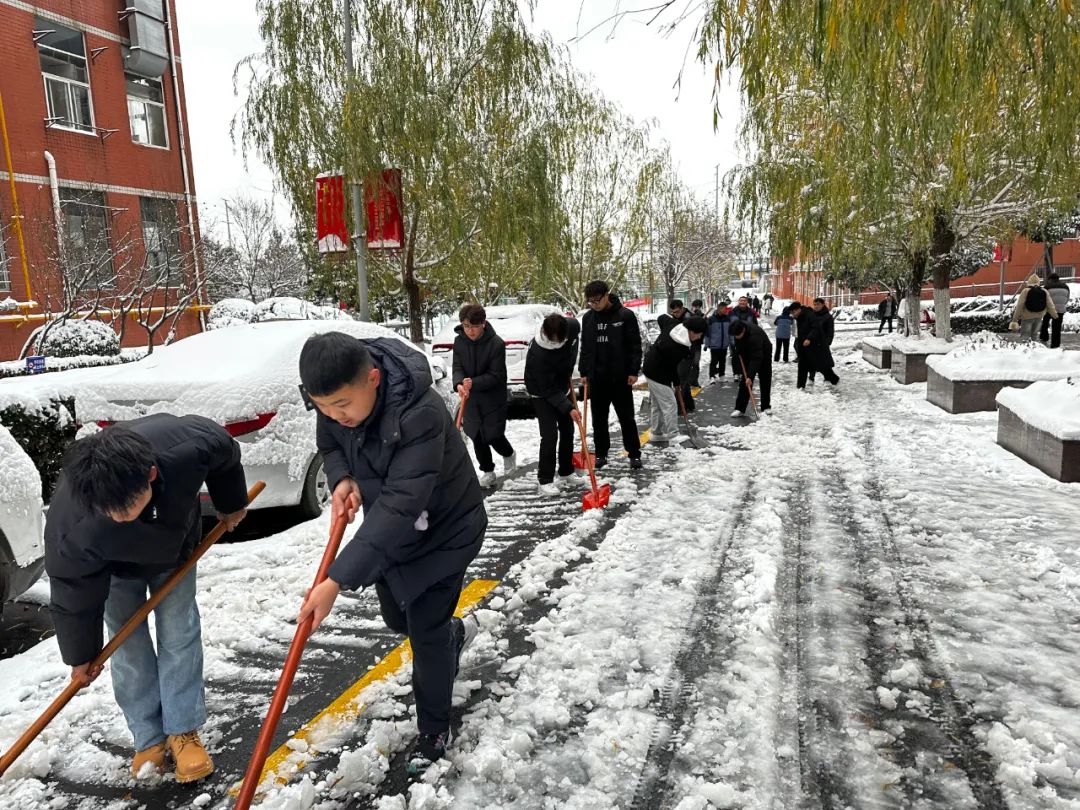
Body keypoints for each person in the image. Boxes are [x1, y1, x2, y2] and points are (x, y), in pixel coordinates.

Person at [296, 332, 485, 768]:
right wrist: (342, 477)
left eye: (342, 405)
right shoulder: (336, 400)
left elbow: (402, 503)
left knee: (425, 630)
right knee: (399, 617)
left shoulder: (420, 414)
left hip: (444, 530)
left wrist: (335, 580)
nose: (334, 415)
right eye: (323, 407)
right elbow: (331, 442)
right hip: (393, 534)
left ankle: (434, 728)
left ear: (374, 379)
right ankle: (453, 635)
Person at [45, 416, 249, 781]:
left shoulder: (186, 449)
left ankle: (183, 731)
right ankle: (148, 738)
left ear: (151, 475)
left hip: (176, 547)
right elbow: (71, 588)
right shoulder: (73, 520)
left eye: (129, 505)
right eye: (113, 511)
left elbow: (226, 453)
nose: (122, 516)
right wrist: (80, 655)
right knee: (127, 642)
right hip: (114, 567)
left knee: (179, 630)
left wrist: (231, 502)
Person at [579, 280, 643, 470]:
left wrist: (633, 370)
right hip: (597, 378)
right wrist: (584, 371)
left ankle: (634, 454)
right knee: (599, 420)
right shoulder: (588, 318)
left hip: (620, 377)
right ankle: (601, 453)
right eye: (590, 302)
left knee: (627, 418)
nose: (594, 305)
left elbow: (634, 345)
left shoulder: (625, 315)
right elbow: (585, 347)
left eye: (597, 300)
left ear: (606, 295)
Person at [452, 303, 515, 487]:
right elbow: (457, 367)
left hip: (492, 397)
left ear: (483, 324)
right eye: (466, 326)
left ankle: (508, 453)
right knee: (476, 435)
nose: (470, 331)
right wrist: (459, 383)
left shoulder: (496, 344)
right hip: (470, 397)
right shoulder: (459, 342)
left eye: (474, 326)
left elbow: (497, 375)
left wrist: (474, 382)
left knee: (493, 435)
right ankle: (488, 471)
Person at [524, 313, 583, 496]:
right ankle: (545, 480)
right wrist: (569, 408)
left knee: (568, 430)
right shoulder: (538, 354)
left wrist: (577, 370)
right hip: (540, 391)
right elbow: (547, 388)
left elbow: (575, 344)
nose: (558, 344)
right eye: (554, 341)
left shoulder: (572, 327)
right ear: (545, 333)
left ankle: (566, 471)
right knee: (549, 435)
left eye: (561, 340)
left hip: (561, 385)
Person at [642, 316, 708, 443]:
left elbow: (662, 318)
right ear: (692, 332)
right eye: (699, 334)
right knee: (670, 403)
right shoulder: (676, 347)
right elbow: (671, 367)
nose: (699, 337)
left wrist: (663, 334)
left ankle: (656, 433)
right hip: (657, 372)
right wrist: (677, 382)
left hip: (650, 366)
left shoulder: (673, 324)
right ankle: (673, 435)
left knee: (657, 404)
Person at [729, 320, 772, 417]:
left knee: (765, 379)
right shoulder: (737, 329)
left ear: (743, 331)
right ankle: (740, 408)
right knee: (745, 381)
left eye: (737, 335)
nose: (736, 337)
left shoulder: (754, 335)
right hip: (748, 353)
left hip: (764, 353)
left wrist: (750, 376)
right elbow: (738, 348)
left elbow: (756, 358)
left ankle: (766, 406)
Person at [804, 298, 840, 386]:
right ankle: (811, 378)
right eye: (815, 304)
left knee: (824, 363)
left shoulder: (827, 316)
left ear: (823, 305)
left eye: (818, 304)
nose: (816, 306)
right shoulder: (812, 315)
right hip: (811, 342)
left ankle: (829, 378)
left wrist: (827, 342)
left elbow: (830, 331)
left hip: (822, 343)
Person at [1010, 273, 1057, 340]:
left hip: (1027, 317)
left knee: (1025, 336)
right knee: (1034, 335)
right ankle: (1034, 345)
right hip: (1039, 317)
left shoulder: (1025, 291)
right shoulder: (1044, 291)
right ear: (1038, 282)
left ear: (1029, 281)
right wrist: (1055, 316)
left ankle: (1025, 346)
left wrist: (1014, 319)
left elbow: (1020, 305)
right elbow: (1050, 304)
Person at [727, 296, 759, 380]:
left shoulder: (751, 313)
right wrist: (730, 337)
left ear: (747, 302)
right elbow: (729, 325)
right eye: (741, 300)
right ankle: (736, 373)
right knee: (735, 356)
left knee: (746, 356)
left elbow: (755, 325)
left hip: (748, 338)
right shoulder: (732, 312)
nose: (742, 302)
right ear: (738, 302)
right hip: (735, 337)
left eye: (744, 301)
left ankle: (743, 372)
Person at [1041, 273, 1070, 348]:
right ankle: (1055, 345)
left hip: (1049, 309)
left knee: (1045, 323)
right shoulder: (1065, 286)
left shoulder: (1047, 286)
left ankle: (1044, 338)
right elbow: (1067, 298)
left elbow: (1043, 298)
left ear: (1050, 279)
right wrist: (1062, 305)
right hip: (1061, 309)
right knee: (1057, 327)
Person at [704, 302, 730, 380]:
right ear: (720, 309)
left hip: (724, 344)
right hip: (714, 344)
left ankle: (722, 375)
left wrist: (731, 342)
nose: (726, 310)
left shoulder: (727, 318)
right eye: (725, 309)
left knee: (722, 361)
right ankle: (712, 376)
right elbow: (707, 333)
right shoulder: (711, 319)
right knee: (714, 361)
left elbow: (730, 332)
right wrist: (706, 344)